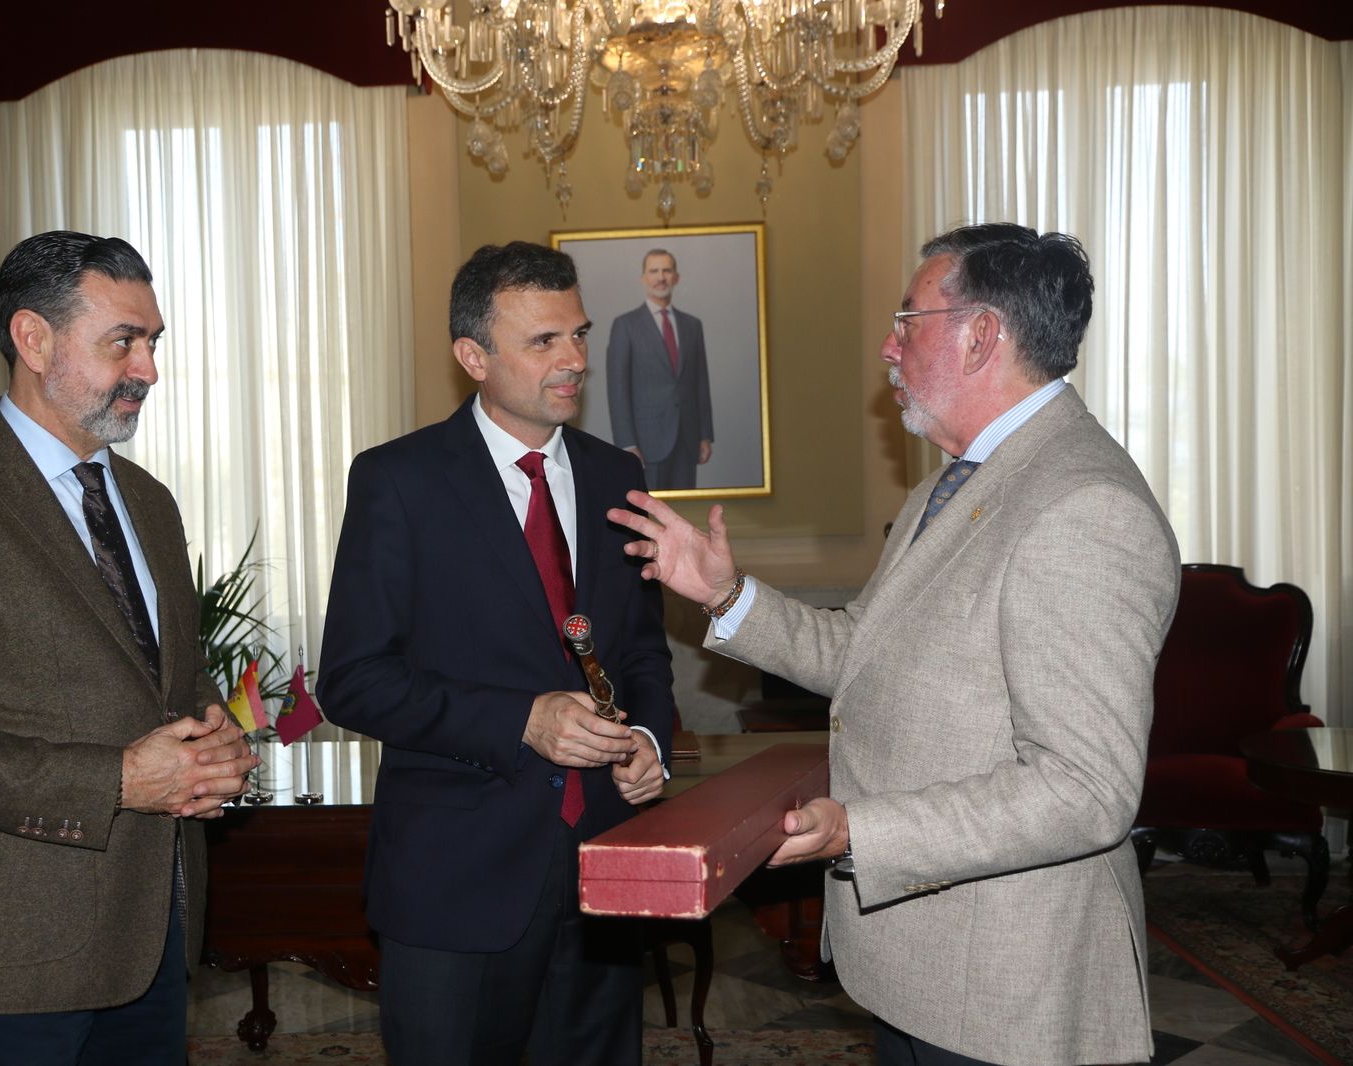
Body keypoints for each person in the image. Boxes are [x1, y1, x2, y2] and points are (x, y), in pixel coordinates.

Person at [609, 223, 1180, 1065]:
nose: (888, 344)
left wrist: (859, 834)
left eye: (908, 319)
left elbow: (1083, 789)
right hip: (925, 965)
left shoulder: (1082, 508)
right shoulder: (950, 485)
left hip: (1007, 988)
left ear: (981, 334)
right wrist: (725, 594)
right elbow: (864, 653)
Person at [0, 230, 257, 1065]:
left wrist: (213, 735)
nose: (149, 370)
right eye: (123, 342)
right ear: (33, 339)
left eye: (153, 342)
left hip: (157, 936)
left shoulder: (149, 501)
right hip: (6, 956)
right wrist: (117, 780)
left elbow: (165, 675)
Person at [318, 241, 676, 1066]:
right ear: (473, 356)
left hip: (603, 866)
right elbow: (353, 680)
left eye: (579, 335)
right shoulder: (397, 480)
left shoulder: (619, 477)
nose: (575, 360)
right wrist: (523, 720)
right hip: (457, 877)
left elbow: (644, 656)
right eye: (544, 342)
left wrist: (648, 743)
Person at [606, 248, 713, 490]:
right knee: (651, 517)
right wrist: (627, 444)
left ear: (676, 277)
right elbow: (617, 390)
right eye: (654, 271)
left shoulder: (692, 326)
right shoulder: (625, 326)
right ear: (644, 278)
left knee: (684, 516)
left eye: (666, 270)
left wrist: (705, 434)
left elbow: (700, 383)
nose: (660, 277)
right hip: (646, 442)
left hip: (688, 439)